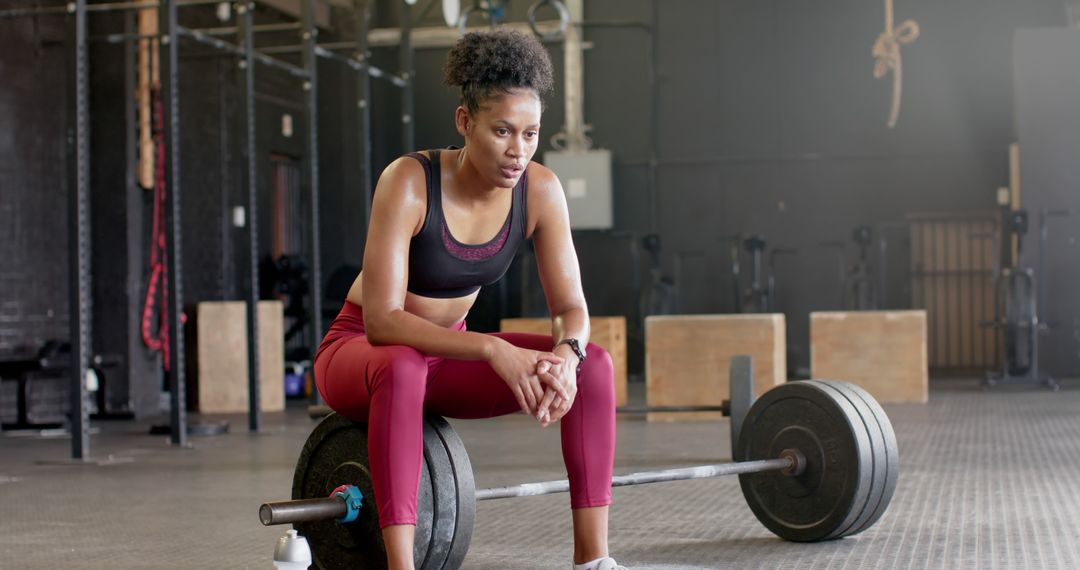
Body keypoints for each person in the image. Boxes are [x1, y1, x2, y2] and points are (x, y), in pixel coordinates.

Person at [313, 28, 625, 570]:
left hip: (447, 359)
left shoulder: (541, 191)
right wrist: (491, 349)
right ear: (465, 122)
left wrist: (567, 357)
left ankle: (592, 560)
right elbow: (384, 322)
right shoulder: (409, 181)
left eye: (530, 134)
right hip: (358, 352)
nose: (518, 151)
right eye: (502, 131)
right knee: (404, 366)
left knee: (595, 365)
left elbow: (571, 309)